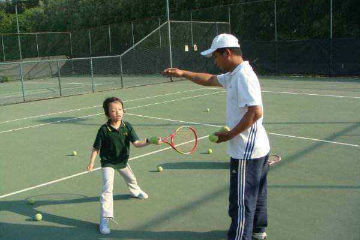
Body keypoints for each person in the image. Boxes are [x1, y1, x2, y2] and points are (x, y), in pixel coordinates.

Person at [162, 33, 270, 240]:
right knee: (257, 193)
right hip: (257, 147)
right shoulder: (235, 73)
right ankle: (257, 229)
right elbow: (209, 79)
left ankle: (240, 236)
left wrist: (230, 134)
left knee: (242, 200)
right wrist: (183, 73)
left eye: (215, 56)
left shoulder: (243, 76)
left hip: (246, 150)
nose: (214, 61)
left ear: (227, 53)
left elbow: (255, 112)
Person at [87, 96, 161, 235]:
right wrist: (91, 163)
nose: (118, 112)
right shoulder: (103, 130)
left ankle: (135, 191)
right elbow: (96, 147)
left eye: (120, 109)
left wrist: (150, 140)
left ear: (123, 110)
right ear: (108, 113)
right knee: (107, 189)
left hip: (122, 161)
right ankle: (105, 219)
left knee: (131, 180)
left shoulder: (127, 126)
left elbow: (137, 143)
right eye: (113, 110)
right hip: (108, 162)